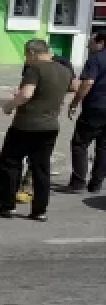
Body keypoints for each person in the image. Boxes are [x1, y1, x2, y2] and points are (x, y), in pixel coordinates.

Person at [0, 39, 76, 222]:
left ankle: (7, 206)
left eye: (26, 55)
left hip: (26, 126)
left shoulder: (35, 69)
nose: (26, 59)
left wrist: (9, 106)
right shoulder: (65, 70)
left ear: (32, 53)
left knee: (9, 163)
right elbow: (74, 87)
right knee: (41, 169)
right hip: (50, 127)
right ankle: (39, 211)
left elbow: (27, 94)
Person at [61, 31, 106, 194]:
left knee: (80, 143)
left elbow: (87, 83)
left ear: (101, 42)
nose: (88, 46)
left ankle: (78, 183)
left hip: (95, 108)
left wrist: (74, 103)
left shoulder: (95, 59)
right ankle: (96, 184)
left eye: (91, 42)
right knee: (104, 147)